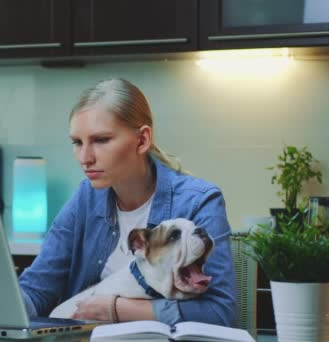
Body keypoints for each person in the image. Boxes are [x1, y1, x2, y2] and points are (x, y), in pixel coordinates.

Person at [18, 78, 236, 326]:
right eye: (77, 143)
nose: (85, 158)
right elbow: (37, 289)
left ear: (142, 140)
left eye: (101, 140)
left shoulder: (200, 201)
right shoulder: (86, 198)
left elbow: (220, 314)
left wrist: (117, 309)